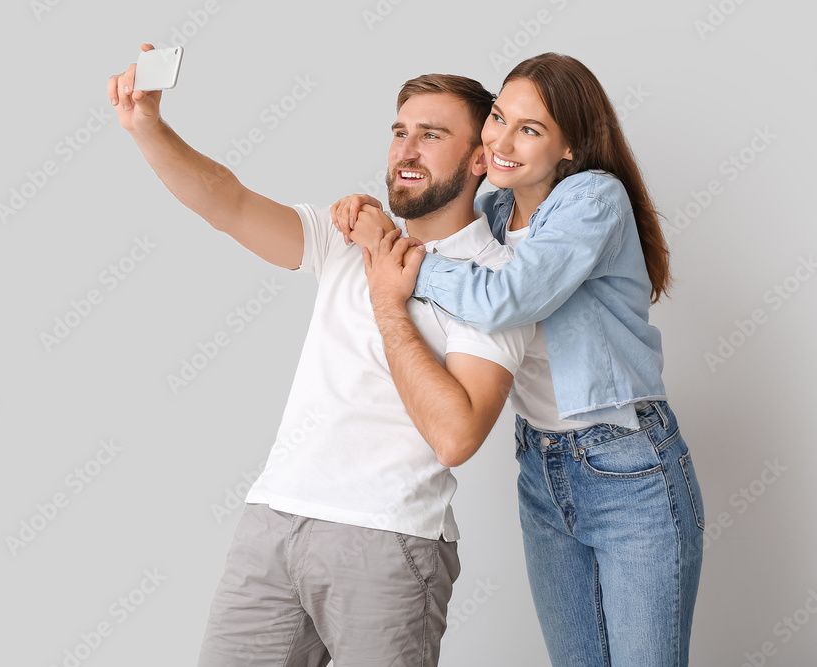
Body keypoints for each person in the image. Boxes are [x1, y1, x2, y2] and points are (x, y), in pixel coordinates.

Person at [109, 43, 534, 665]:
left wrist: (391, 305)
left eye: (431, 135)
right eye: (400, 131)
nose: (406, 150)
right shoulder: (348, 238)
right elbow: (225, 202)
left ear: (478, 159)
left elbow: (456, 436)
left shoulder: (497, 280)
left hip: (390, 539)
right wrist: (148, 127)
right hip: (274, 521)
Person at [336, 53, 705, 666]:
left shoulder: (593, 198)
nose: (501, 141)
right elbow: (437, 218)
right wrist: (371, 209)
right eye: (498, 118)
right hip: (543, 467)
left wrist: (402, 263)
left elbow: (503, 297)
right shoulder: (498, 211)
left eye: (529, 130)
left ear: (570, 146)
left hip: (629, 467)